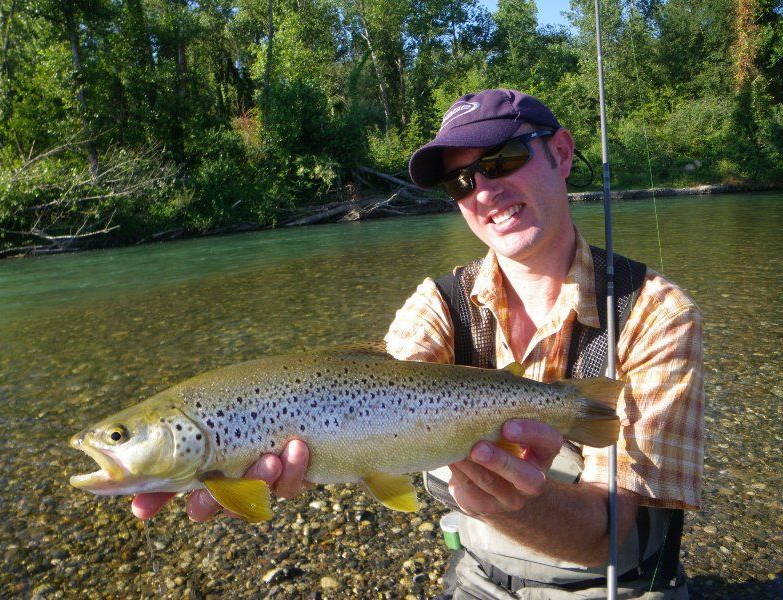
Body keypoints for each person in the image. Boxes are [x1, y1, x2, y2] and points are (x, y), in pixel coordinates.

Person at [133, 89, 703, 599]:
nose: (484, 190)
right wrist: (276, 448)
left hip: (614, 585)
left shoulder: (655, 313)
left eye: (502, 159)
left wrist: (523, 502)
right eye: (461, 181)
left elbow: (609, 536)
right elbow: (379, 382)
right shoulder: (441, 302)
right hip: (482, 579)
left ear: (560, 152)